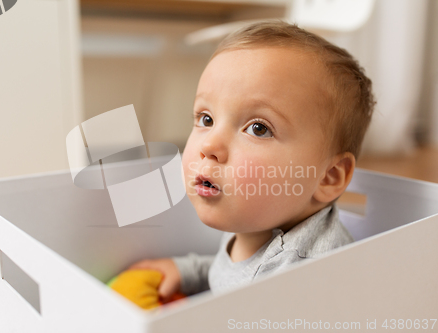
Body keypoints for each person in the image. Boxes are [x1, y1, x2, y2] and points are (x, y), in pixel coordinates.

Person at [128, 21, 375, 302]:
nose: (209, 146)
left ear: (328, 176)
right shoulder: (256, 216)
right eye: (206, 119)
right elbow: (236, 273)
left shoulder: (305, 276)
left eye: (258, 128)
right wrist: (187, 271)